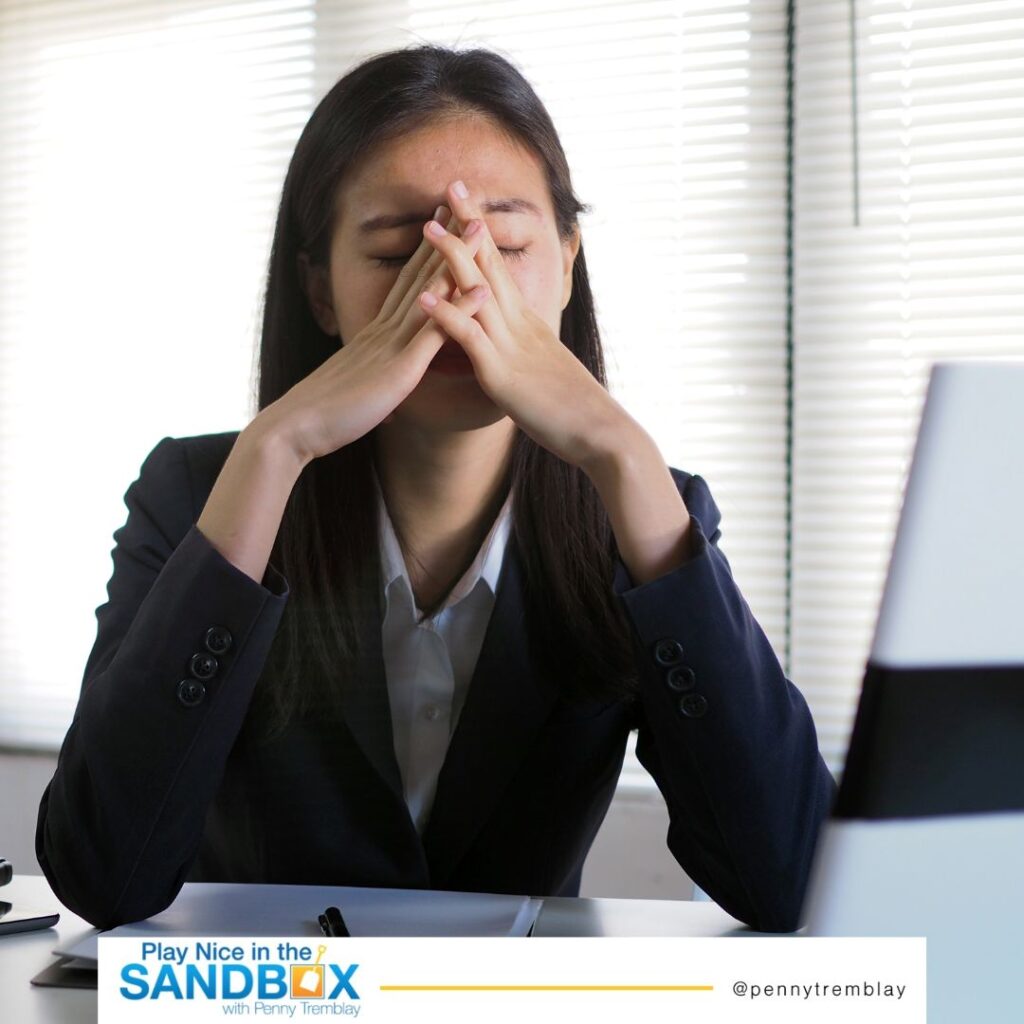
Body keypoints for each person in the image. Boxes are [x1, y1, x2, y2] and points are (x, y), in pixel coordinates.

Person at [36, 44, 836, 933]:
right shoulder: (198, 492)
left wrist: (622, 452)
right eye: (396, 255)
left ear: (568, 265)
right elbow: (101, 872)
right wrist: (277, 445)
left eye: (509, 245)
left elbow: (792, 882)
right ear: (320, 291)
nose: (460, 285)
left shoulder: (639, 508)